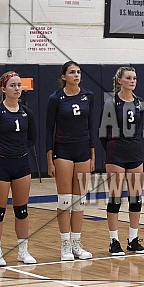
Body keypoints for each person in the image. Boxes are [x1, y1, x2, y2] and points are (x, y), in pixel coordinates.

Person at [0, 71, 37, 266]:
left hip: (21, 164)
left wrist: (17, 151)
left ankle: (23, 251)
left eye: (19, 85)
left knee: (22, 210)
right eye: (12, 85)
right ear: (3, 89)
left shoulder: (27, 112)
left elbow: (32, 138)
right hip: (0, 165)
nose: (17, 89)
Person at [46, 61, 94, 261]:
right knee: (65, 200)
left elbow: (91, 126)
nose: (76, 75)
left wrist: (92, 155)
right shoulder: (55, 98)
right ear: (64, 76)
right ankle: (65, 244)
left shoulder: (89, 96)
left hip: (83, 150)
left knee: (79, 201)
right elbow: (49, 130)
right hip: (63, 150)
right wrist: (50, 159)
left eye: (78, 72)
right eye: (72, 72)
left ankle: (76, 243)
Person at [99, 66, 144, 256]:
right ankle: (114, 241)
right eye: (129, 78)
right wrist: (112, 149)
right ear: (120, 80)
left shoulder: (139, 103)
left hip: (135, 152)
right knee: (115, 198)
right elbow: (102, 132)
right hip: (116, 153)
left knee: (135, 198)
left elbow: (139, 129)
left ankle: (133, 239)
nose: (132, 81)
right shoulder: (111, 103)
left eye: (135, 78)